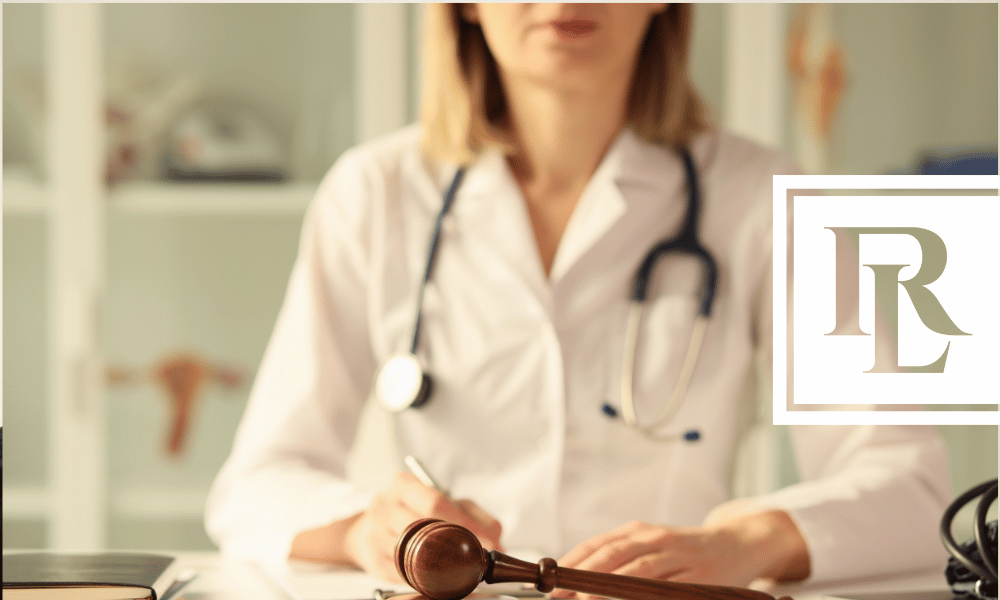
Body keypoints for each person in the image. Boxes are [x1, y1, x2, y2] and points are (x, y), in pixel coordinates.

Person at [205, 3, 950, 592]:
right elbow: (256, 486)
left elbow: (914, 486)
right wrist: (363, 529)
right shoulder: (373, 194)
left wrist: (748, 541)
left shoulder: (762, 195)